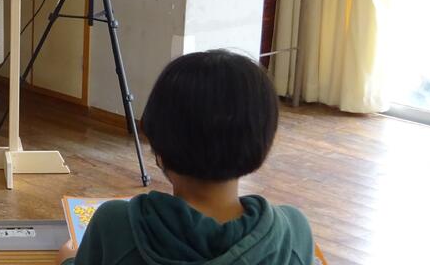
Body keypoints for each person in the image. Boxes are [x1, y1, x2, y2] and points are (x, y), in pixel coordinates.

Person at [58, 50, 314, 265]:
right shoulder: (292, 233)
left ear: (158, 148)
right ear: (263, 143)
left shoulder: (117, 225)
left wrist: (67, 260)